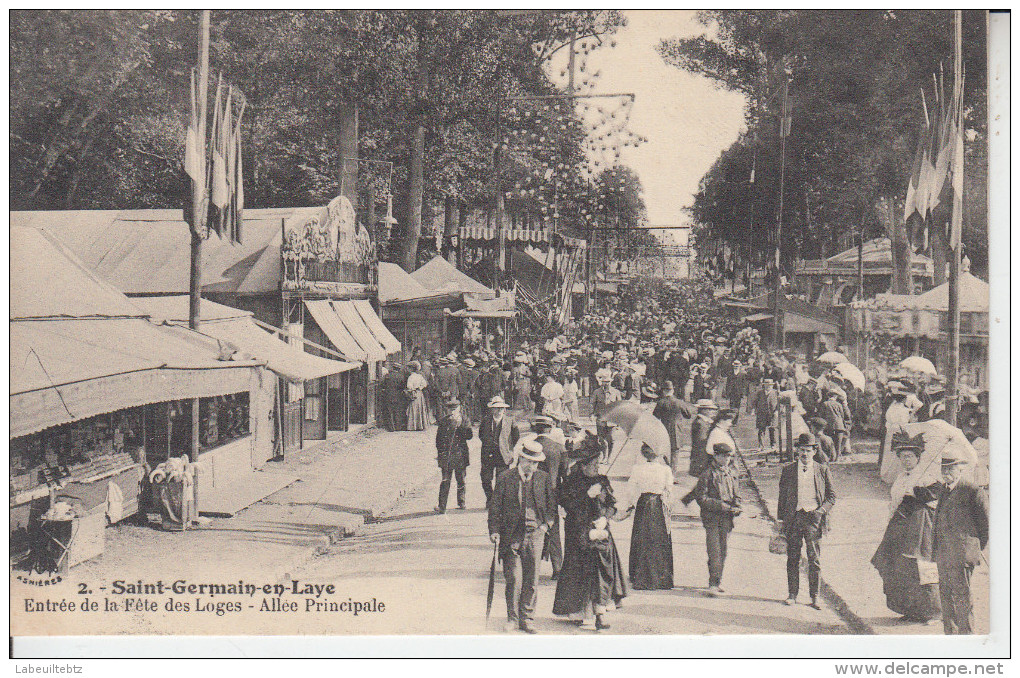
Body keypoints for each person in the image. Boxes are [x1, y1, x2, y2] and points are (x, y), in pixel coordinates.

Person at [552, 437, 627, 630]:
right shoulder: (571, 481)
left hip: (600, 533)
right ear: (583, 465)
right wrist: (587, 495)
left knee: (601, 571)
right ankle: (578, 610)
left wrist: (606, 518)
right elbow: (566, 504)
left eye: (598, 463)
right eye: (593, 464)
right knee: (581, 572)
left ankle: (600, 612)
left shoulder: (602, 480)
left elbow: (611, 505)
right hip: (579, 534)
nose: (596, 467)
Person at [870, 433, 942, 623]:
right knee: (901, 567)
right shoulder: (900, 478)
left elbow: (937, 498)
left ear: (918, 458)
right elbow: (894, 502)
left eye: (910, 456)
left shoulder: (927, 476)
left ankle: (931, 612)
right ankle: (911, 610)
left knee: (922, 567)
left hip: (921, 528)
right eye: (903, 457)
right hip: (900, 526)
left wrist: (919, 493)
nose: (906, 460)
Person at [487, 439, 557, 634]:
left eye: (536, 463)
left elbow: (552, 508)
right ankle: (512, 618)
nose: (532, 467)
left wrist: (545, 526)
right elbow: (494, 508)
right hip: (511, 536)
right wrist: (494, 531)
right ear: (520, 459)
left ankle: (527, 618)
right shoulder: (505, 478)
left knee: (532, 580)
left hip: (535, 535)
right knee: (514, 579)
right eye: (529, 462)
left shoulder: (543, 478)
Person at [778, 433, 836, 609]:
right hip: (794, 519)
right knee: (793, 557)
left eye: (808, 450)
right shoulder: (788, 470)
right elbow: (782, 498)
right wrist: (780, 521)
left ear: (814, 451)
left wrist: (820, 511)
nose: (804, 454)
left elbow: (832, 497)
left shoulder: (822, 469)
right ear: (797, 451)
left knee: (814, 559)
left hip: (813, 519)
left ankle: (814, 596)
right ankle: (792, 594)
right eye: (801, 450)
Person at [933, 453, 989, 635]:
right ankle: (950, 634)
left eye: (950, 468)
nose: (946, 472)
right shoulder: (944, 489)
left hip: (962, 553)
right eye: (943, 468)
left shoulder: (972, 491)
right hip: (943, 553)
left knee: (962, 595)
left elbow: (986, 524)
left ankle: (967, 636)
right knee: (946, 595)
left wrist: (973, 548)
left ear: (960, 469)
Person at [617, 443, 674, 590]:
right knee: (658, 539)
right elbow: (669, 490)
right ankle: (660, 576)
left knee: (642, 537)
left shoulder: (637, 468)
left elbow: (630, 490)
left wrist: (631, 504)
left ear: (643, 454)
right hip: (658, 505)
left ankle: (639, 574)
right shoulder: (666, 469)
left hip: (643, 504)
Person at [689, 442, 742, 596]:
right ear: (716, 456)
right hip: (712, 518)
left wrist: (737, 506)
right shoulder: (707, 474)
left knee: (723, 550)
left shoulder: (732, 473)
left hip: (727, 518)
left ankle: (718, 580)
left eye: (729, 456)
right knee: (714, 551)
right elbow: (701, 498)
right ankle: (713, 583)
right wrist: (721, 506)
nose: (726, 459)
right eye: (723, 456)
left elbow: (737, 494)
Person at [531, 416, 569, 579]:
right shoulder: (559, 448)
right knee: (553, 530)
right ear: (550, 429)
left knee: (532, 527)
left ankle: (531, 566)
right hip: (552, 493)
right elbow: (565, 474)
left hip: (532, 492)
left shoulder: (530, 447)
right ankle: (557, 567)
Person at [478, 396, 520, 507]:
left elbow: (516, 436)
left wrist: (508, 448)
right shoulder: (486, 421)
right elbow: (481, 435)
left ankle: (497, 501)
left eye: (502, 408)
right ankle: (490, 498)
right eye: (497, 408)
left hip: (503, 455)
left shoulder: (510, 421)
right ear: (492, 409)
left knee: (501, 479)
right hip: (488, 454)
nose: (500, 410)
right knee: (485, 478)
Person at [435, 396, 473, 513]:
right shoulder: (444, 421)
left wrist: (460, 426)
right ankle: (442, 506)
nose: (452, 412)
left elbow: (469, 436)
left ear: (459, 408)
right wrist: (440, 454)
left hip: (460, 455)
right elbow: (438, 440)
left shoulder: (464, 420)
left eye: (455, 409)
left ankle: (461, 503)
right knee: (445, 481)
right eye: (450, 409)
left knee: (461, 479)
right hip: (446, 457)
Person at [652, 380, 690, 479]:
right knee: (675, 453)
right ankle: (672, 475)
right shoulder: (679, 402)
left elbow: (655, 418)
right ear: (672, 390)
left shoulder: (660, 403)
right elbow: (688, 415)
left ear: (664, 391)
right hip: (676, 431)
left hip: (664, 429)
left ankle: (667, 471)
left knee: (665, 451)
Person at [591, 368, 622, 461]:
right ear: (601, 382)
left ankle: (610, 457)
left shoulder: (616, 392)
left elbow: (619, 406)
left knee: (611, 439)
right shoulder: (597, 392)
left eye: (608, 382)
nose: (606, 384)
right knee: (601, 440)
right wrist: (592, 414)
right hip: (601, 419)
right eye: (604, 382)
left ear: (610, 382)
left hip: (612, 420)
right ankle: (604, 456)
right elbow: (592, 404)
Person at [688, 399, 718, 478]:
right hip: (701, 457)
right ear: (703, 410)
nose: (711, 412)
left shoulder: (704, 421)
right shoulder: (700, 423)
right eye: (710, 410)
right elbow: (701, 443)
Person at [823, 387, 852, 461]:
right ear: (835, 396)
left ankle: (830, 457)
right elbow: (842, 415)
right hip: (839, 426)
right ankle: (837, 458)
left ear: (828, 396)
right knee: (838, 444)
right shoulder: (839, 404)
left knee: (830, 442)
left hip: (829, 426)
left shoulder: (825, 404)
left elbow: (822, 415)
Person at [753, 378, 779, 451]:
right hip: (761, 414)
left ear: (772, 386)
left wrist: (776, 411)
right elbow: (755, 402)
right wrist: (754, 410)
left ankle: (773, 445)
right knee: (761, 430)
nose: (768, 387)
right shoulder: (760, 393)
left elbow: (779, 403)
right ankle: (761, 446)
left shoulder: (775, 393)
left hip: (772, 414)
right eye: (766, 385)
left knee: (772, 429)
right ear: (764, 385)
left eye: (770, 385)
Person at [383, 361, 407, 432]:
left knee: (389, 411)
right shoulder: (401, 376)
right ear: (399, 369)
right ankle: (398, 427)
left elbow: (383, 384)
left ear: (393, 368)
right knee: (397, 411)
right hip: (398, 395)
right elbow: (403, 386)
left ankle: (391, 428)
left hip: (389, 395)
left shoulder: (387, 375)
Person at [405, 362, 429, 431]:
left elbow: (409, 386)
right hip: (419, 393)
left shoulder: (411, 377)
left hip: (413, 393)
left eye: (408, 368)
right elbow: (425, 384)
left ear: (411, 369)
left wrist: (411, 390)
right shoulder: (419, 376)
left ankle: (413, 426)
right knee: (420, 407)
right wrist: (420, 388)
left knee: (413, 408)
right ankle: (420, 425)